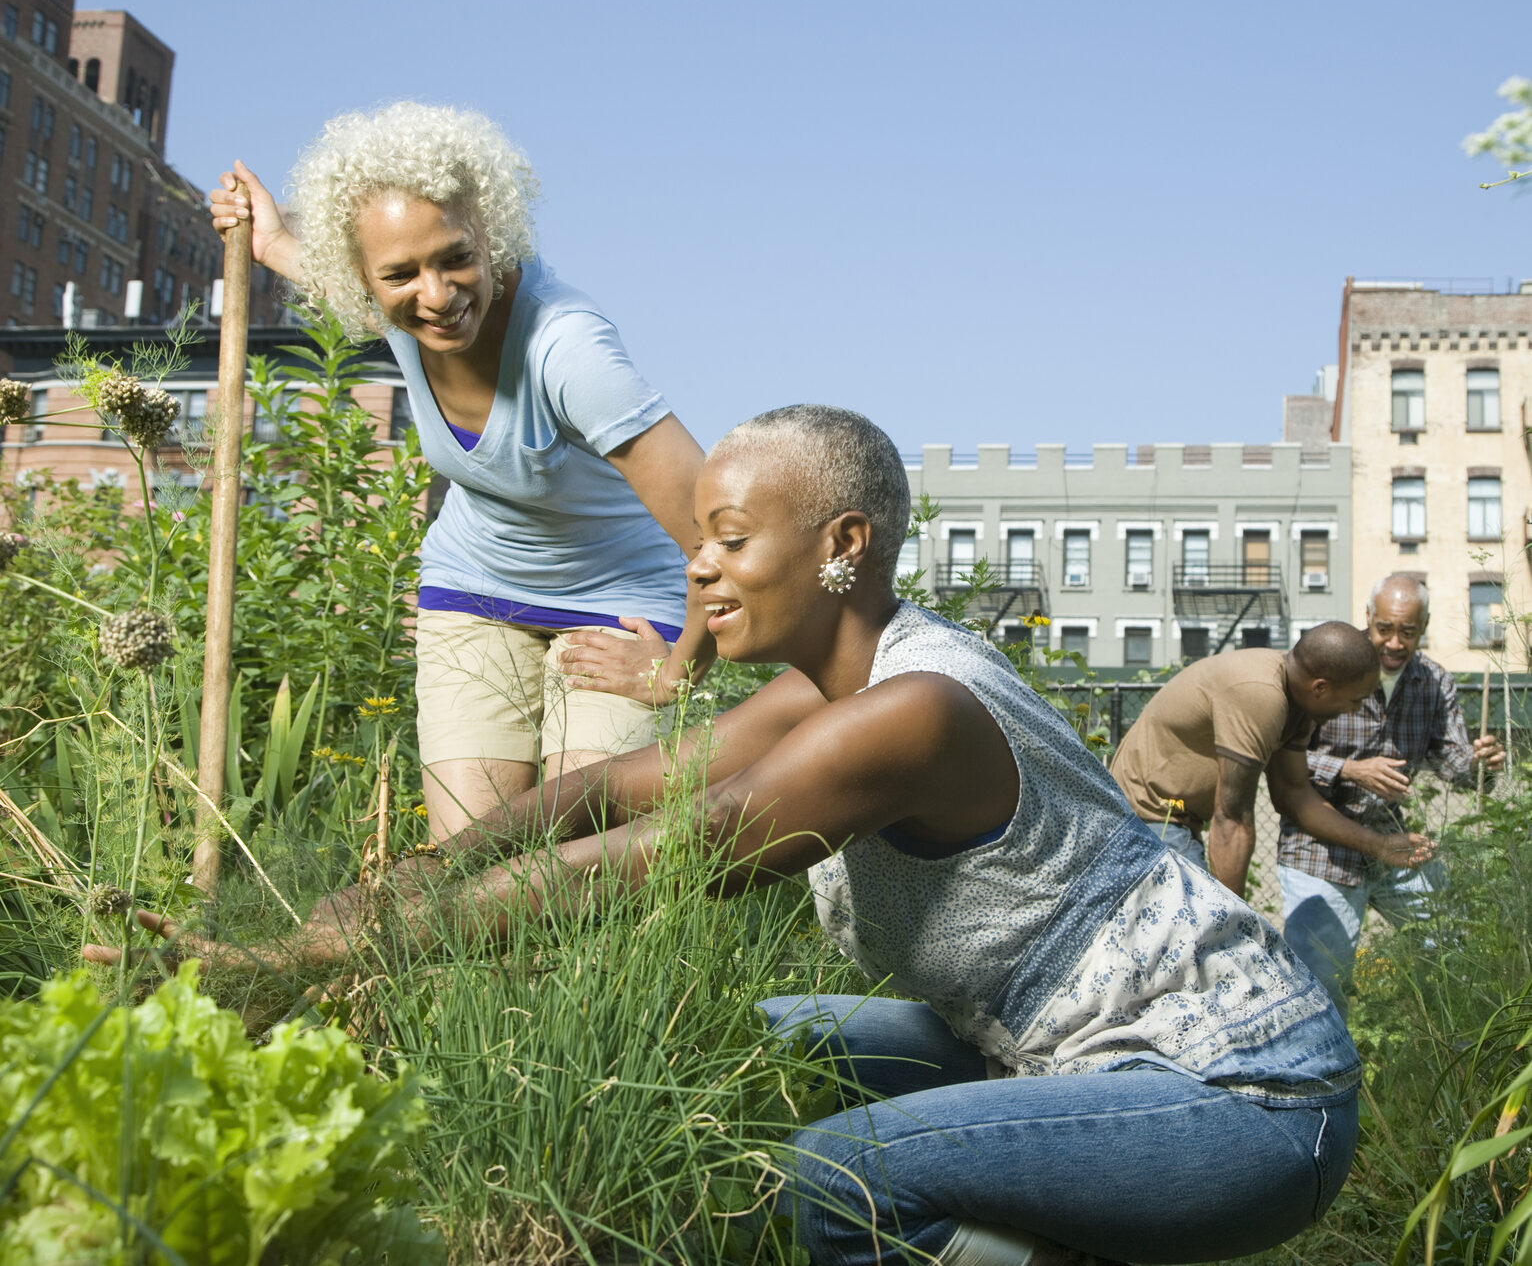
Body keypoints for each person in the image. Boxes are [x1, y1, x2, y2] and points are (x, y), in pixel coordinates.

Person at [92, 405, 1362, 1266]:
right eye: (696, 536)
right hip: (1062, 1056)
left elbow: (666, 854)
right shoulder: (822, 692)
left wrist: (322, 959)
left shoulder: (911, 711)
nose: (697, 568)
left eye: (730, 538)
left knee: (832, 1173)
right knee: (743, 1049)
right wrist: (404, 879)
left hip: (1241, 1098)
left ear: (841, 546)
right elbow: (600, 795)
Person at [208, 104, 712, 841]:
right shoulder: (393, 303)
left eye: (456, 258)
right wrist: (274, 239)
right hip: (474, 592)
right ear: (363, 282)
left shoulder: (568, 353)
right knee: (470, 865)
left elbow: (719, 539)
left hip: (618, 601)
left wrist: (678, 674)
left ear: (491, 234)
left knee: (579, 858)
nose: (437, 295)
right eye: (402, 274)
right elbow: (346, 269)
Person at [1279, 573, 1505, 1011]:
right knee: (1320, 984)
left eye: (1408, 631)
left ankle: (1437, 1054)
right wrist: (1348, 769)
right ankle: (1321, 1076)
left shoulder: (1435, 681)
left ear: (1425, 626)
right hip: (1320, 847)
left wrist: (1480, 764)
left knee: (1453, 953)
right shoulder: (1327, 664)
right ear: (1368, 619)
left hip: (1395, 844)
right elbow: (1278, 758)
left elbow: (1454, 763)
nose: (1395, 643)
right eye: (1385, 629)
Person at [1111, 629, 1435, 897]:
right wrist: (1236, 930)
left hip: (1174, 820)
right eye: (1355, 700)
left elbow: (1295, 795)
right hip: (1147, 818)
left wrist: (1380, 845)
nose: (1355, 710)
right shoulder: (1261, 695)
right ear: (1320, 687)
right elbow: (1232, 818)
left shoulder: (1298, 704)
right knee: (1195, 938)